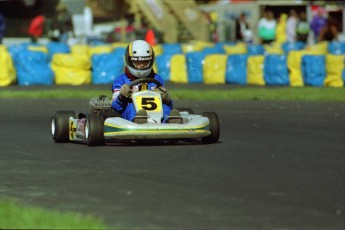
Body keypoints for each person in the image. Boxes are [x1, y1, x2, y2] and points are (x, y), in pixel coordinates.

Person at [111, 40, 181, 124]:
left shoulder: (157, 79)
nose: (142, 65)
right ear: (129, 61)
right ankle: (138, 120)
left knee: (165, 107)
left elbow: (169, 104)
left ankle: (170, 120)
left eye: (145, 61)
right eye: (137, 61)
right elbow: (115, 107)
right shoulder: (121, 80)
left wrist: (166, 98)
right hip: (130, 111)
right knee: (132, 107)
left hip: (155, 110)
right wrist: (121, 96)